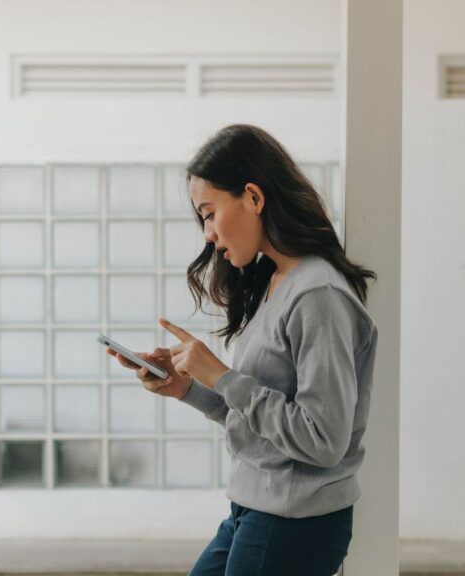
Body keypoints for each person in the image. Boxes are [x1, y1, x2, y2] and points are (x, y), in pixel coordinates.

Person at [107, 124, 379, 575]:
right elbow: (262, 418)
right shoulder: (276, 283)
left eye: (209, 213)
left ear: (254, 197)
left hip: (295, 519)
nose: (209, 235)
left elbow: (323, 439)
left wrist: (222, 376)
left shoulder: (318, 295)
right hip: (253, 507)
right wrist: (186, 389)